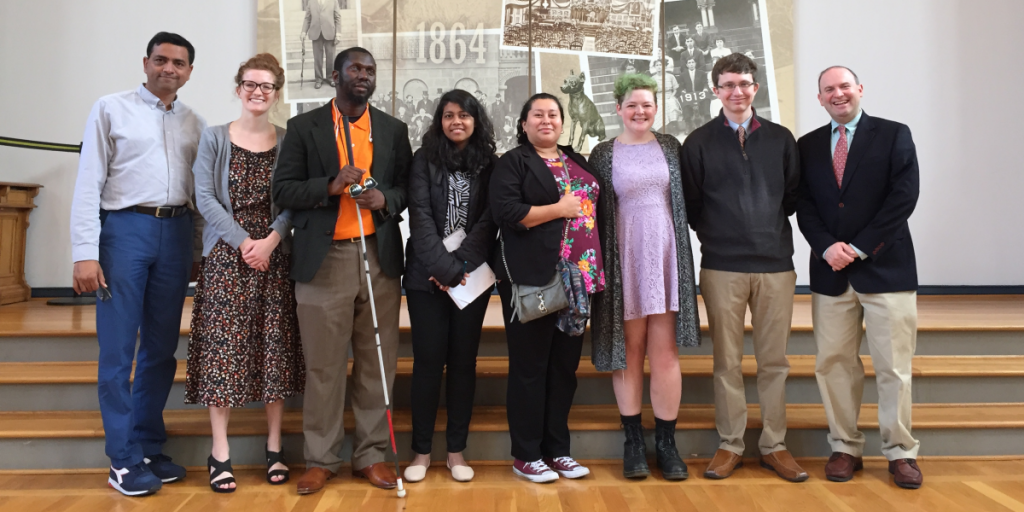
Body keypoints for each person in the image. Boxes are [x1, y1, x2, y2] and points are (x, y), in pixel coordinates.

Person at [272, 46, 413, 495]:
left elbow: (408, 188)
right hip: (324, 260)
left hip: (379, 257)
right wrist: (330, 187)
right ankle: (321, 458)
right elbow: (284, 190)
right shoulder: (304, 127)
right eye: (355, 68)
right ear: (335, 75)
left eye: (370, 69)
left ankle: (371, 455)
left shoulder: (393, 129)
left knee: (377, 362)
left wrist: (385, 200)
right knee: (324, 367)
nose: (363, 75)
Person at [70, 32, 205, 497]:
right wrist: (84, 252)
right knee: (118, 350)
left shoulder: (195, 123)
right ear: (146, 62)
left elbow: (199, 195)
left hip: (176, 232)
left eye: (179, 63)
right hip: (125, 231)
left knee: (162, 349)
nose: (169, 68)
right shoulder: (110, 108)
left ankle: (147, 443)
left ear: (190, 71)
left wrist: (196, 253)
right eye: (161, 60)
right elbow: (89, 182)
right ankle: (122, 458)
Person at [680, 53, 805, 482]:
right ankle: (731, 444)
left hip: (775, 267)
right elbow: (693, 205)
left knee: (774, 361)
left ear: (756, 88)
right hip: (721, 267)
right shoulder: (697, 142)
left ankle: (774, 444)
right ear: (715, 90)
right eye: (728, 84)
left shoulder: (781, 138)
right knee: (726, 362)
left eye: (745, 83)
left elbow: (791, 198)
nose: (737, 91)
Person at [796, 66, 923, 489]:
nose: (838, 94)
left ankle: (900, 452)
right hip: (830, 271)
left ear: (860, 89)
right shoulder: (808, 145)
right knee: (833, 365)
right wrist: (826, 246)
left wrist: (860, 246)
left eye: (844, 86)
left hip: (886, 269)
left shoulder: (894, 134)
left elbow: (903, 197)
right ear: (820, 98)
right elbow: (805, 205)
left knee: (894, 369)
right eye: (828, 89)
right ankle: (844, 446)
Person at [186, 53, 304, 493]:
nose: (258, 92)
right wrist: (243, 243)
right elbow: (204, 196)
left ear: (277, 92)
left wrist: (271, 240)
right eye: (250, 84)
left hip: (275, 258)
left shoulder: (290, 140)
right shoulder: (215, 138)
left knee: (274, 349)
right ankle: (220, 451)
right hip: (226, 257)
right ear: (238, 89)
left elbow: (294, 197)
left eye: (266, 86)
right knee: (223, 353)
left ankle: (275, 446)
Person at [589, 74, 701, 480]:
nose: (640, 112)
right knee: (630, 349)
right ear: (618, 109)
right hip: (625, 258)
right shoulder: (603, 153)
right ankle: (633, 441)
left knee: (665, 351)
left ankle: (667, 444)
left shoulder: (670, 146)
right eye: (632, 105)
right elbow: (595, 211)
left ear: (657, 109)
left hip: (667, 255)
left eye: (647, 105)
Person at [490, 93, 603, 483]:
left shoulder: (576, 159)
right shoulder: (513, 163)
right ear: (523, 124)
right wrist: (559, 209)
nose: (546, 120)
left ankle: (558, 451)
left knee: (564, 369)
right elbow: (507, 213)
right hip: (535, 277)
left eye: (553, 114)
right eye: (537, 114)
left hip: (579, 278)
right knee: (530, 368)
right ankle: (526, 454)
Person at [402, 89, 499, 484]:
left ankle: (456, 451)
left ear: (476, 120)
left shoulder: (491, 164)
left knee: (462, 364)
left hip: (470, 278)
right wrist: (442, 268)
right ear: (439, 120)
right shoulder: (423, 159)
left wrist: (459, 267)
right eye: (448, 115)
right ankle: (421, 451)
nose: (455, 121)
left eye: (463, 115)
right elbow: (420, 216)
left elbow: (489, 221)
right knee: (427, 364)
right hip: (426, 276)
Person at [301, 0, 342, 90]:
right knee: (317, 58)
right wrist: (304, 32)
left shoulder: (333, 1)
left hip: (330, 32)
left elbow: (337, 17)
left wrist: (338, 33)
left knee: (331, 57)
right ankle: (318, 79)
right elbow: (307, 18)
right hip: (316, 32)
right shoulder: (311, 2)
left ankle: (330, 78)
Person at [678, 57, 712, 133]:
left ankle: (707, 120)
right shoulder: (683, 75)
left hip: (699, 94)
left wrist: (705, 89)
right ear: (687, 65)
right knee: (684, 101)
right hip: (689, 95)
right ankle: (688, 124)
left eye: (692, 62)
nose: (691, 64)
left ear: (695, 64)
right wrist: (683, 91)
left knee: (706, 98)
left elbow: (705, 83)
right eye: (689, 63)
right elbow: (680, 87)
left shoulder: (702, 73)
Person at [648, 59, 681, 132]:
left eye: (660, 65)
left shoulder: (671, 76)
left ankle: (674, 126)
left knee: (671, 103)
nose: (659, 67)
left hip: (670, 95)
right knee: (660, 105)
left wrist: (672, 96)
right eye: (657, 65)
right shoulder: (652, 79)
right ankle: (663, 128)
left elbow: (675, 89)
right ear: (655, 67)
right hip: (658, 97)